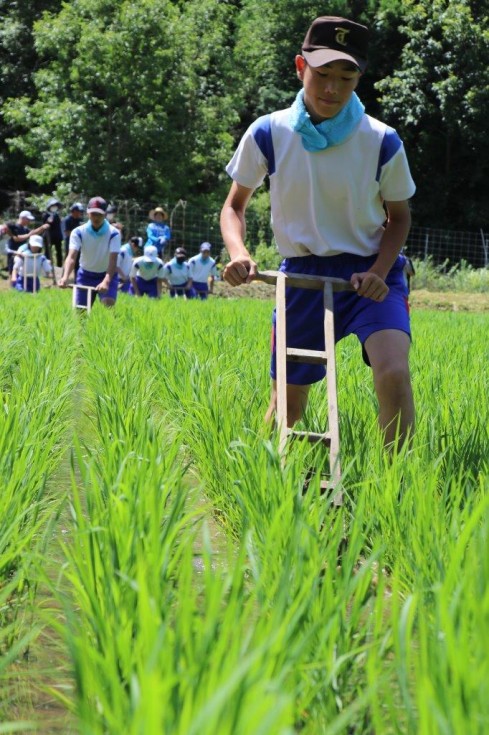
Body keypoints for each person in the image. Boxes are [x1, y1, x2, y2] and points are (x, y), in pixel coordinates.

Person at [220, 15, 416, 449]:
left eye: (345, 78)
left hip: (371, 276)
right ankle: (269, 475)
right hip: (303, 277)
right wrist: (239, 251)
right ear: (299, 67)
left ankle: (396, 484)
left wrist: (381, 272)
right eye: (322, 74)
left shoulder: (381, 140)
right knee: (288, 406)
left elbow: (398, 217)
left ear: (359, 79)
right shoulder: (269, 132)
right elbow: (234, 206)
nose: (332, 89)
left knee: (394, 374)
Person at [58, 196, 121, 308]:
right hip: (85, 275)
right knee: (80, 311)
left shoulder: (114, 233)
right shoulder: (78, 232)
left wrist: (106, 281)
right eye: (93, 214)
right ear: (87, 214)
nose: (96, 218)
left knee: (108, 305)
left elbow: (113, 260)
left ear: (105, 214)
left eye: (99, 214)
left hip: (107, 274)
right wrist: (65, 276)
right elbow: (72, 257)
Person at [4, 211, 50, 275]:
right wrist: (29, 235)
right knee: (13, 271)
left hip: (22, 253)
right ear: (22, 218)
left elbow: (33, 233)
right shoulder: (14, 227)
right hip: (14, 253)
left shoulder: (24, 228)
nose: (29, 221)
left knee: (20, 272)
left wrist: (42, 228)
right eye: (28, 219)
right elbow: (16, 239)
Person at [42, 197, 64, 267]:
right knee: (48, 252)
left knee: (59, 252)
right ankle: (47, 267)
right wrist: (49, 220)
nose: (54, 207)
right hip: (48, 236)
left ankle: (59, 266)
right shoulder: (45, 215)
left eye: (55, 206)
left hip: (57, 236)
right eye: (53, 206)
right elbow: (45, 224)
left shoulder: (57, 215)